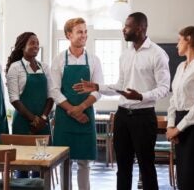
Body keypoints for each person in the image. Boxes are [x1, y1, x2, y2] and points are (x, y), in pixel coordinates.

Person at [73, 12, 170, 190]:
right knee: (122, 168)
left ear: (140, 28)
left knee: (146, 166)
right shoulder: (125, 54)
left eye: (127, 26)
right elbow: (120, 86)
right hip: (123, 116)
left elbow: (164, 88)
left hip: (143, 117)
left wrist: (141, 96)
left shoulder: (158, 54)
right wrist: (96, 86)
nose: (123, 29)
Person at [51, 17, 104, 190]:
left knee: (84, 163)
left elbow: (98, 90)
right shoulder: (59, 60)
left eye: (85, 31)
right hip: (64, 117)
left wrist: (80, 108)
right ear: (68, 35)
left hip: (85, 115)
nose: (84, 35)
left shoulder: (94, 60)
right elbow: (53, 90)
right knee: (64, 161)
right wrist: (72, 110)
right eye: (80, 32)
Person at [5, 32, 54, 178]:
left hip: (42, 123)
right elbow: (14, 98)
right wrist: (33, 119)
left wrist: (43, 118)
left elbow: (51, 95)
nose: (36, 46)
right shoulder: (15, 68)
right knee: (22, 165)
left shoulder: (44, 67)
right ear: (22, 46)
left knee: (42, 165)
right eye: (32, 43)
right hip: (23, 123)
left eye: (37, 43)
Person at [166, 25, 194, 190]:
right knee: (182, 176)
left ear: (189, 39)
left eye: (179, 40)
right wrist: (171, 125)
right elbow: (173, 100)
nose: (176, 45)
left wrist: (179, 128)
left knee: (193, 176)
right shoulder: (180, 67)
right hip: (179, 124)